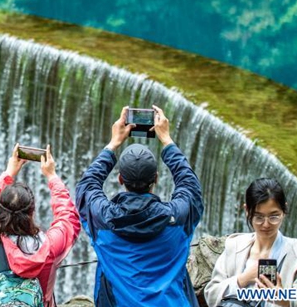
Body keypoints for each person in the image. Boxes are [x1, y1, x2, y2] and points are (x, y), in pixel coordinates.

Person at [75, 105, 204, 306]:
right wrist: (167, 141)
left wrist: (113, 143)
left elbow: (86, 187)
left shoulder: (103, 219)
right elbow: (190, 186)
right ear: (156, 178)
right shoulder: (178, 217)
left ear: (120, 179)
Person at [0, 144, 82, 307]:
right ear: (32, 211)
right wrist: (52, 176)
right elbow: (69, 218)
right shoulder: (49, 247)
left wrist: (8, 173)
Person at [204, 178, 297, 307]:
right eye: (258, 217)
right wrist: (243, 279)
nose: (266, 224)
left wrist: (284, 299)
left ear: (284, 210)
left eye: (274, 216)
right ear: (247, 211)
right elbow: (211, 294)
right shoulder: (235, 246)